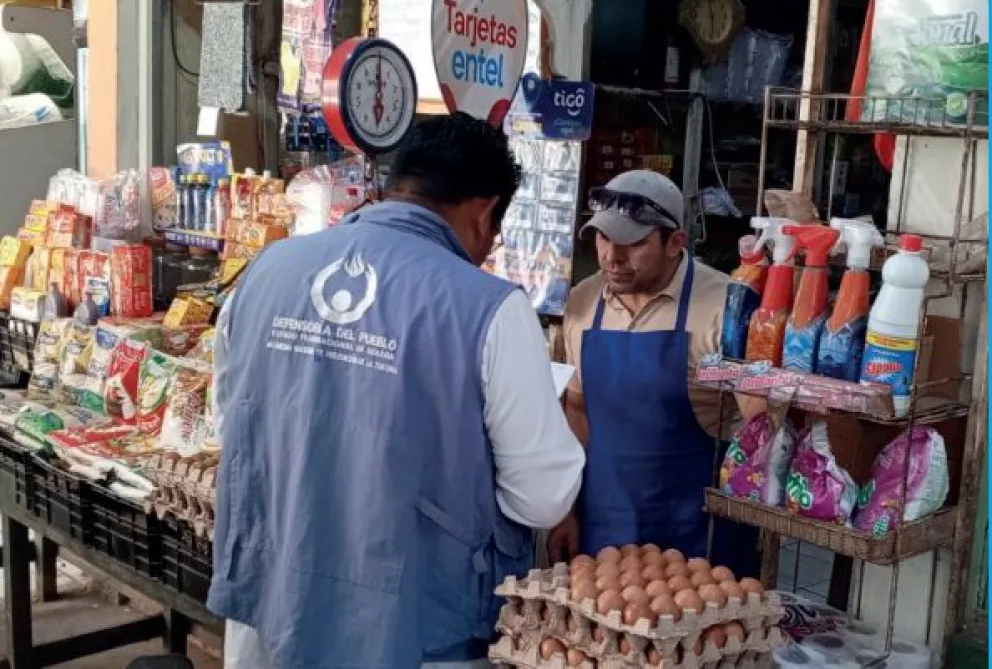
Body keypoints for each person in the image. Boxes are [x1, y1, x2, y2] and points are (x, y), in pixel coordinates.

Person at [209, 113, 585, 669]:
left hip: (270, 603)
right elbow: (542, 496)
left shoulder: (266, 270)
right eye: (494, 233)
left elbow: (230, 420)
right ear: (484, 212)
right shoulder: (491, 308)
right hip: (409, 627)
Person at [548, 169, 762, 576]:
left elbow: (759, 429)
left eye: (633, 243)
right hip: (603, 525)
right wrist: (566, 510)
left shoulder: (727, 308)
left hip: (697, 534)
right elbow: (577, 410)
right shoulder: (582, 302)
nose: (612, 256)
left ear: (675, 242)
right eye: (603, 237)